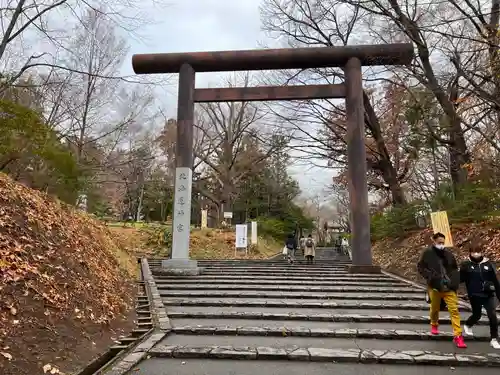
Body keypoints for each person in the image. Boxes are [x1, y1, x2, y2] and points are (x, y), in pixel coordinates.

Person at [417, 232, 467, 348]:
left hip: (449, 287)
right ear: (434, 241)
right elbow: (420, 267)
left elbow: (455, 268)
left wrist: (454, 281)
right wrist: (430, 277)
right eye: (439, 242)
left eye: (443, 243)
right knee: (435, 309)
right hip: (435, 286)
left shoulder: (448, 254)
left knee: (454, 310)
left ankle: (458, 336)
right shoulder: (427, 253)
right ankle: (434, 323)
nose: (441, 245)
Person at [460, 247, 500, 349]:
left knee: (492, 316)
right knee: (477, 315)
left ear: (482, 252)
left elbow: (495, 281)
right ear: (470, 253)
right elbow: (460, 279)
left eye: (478, 252)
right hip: (474, 295)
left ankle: (494, 339)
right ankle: (468, 325)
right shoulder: (466, 265)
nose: (476, 254)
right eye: (474, 252)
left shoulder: (488, 264)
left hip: (488, 294)